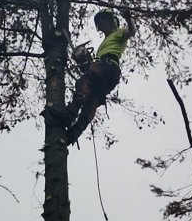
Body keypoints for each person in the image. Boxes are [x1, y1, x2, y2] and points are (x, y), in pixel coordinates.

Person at [49, 8, 136, 145]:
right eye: (99, 23)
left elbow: (131, 32)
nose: (101, 25)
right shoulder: (103, 43)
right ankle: (72, 134)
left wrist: (129, 19)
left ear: (112, 21)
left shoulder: (118, 32)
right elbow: (92, 67)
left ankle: (69, 113)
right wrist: (83, 60)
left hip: (109, 66)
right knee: (91, 101)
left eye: (103, 21)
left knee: (83, 82)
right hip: (108, 74)